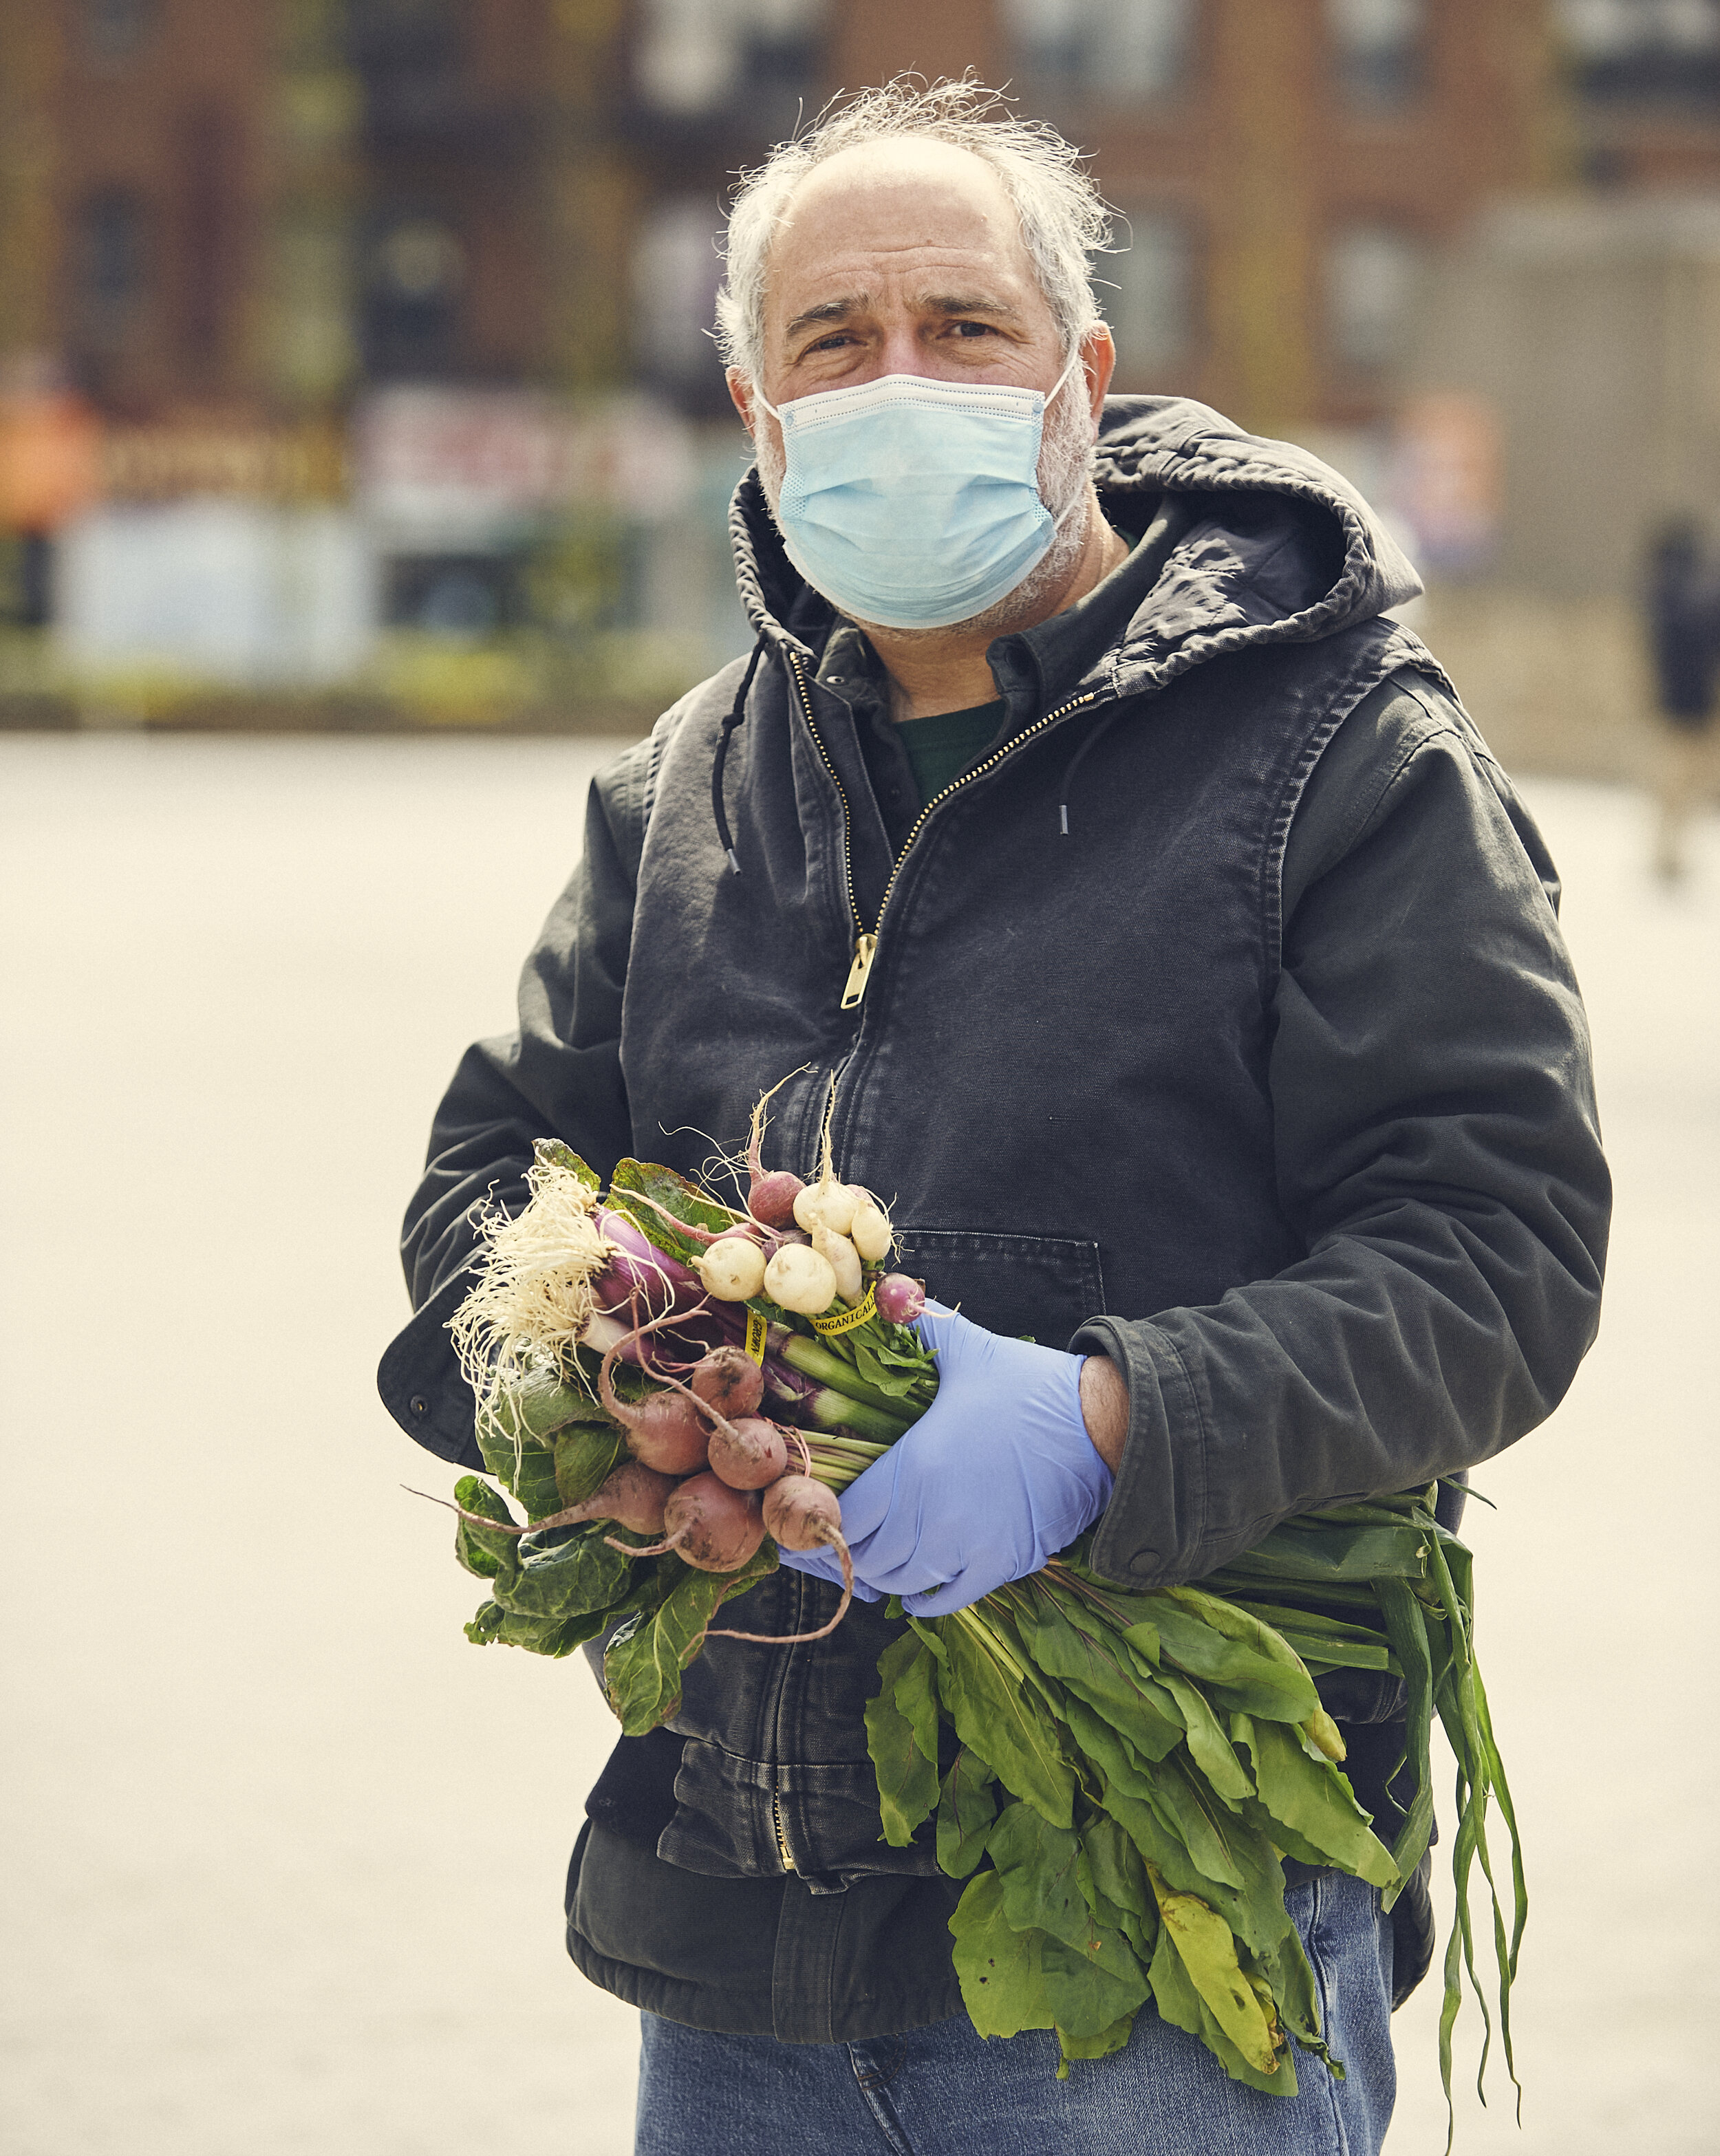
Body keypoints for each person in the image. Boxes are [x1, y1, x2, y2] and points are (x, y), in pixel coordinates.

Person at [379, 80, 1609, 2156]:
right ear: (757, 420)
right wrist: (611, 1386)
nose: (898, 385)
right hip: (742, 1920)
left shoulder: (1335, 751)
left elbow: (1494, 1251)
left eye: (962, 329)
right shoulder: (691, 782)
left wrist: (1104, 1424)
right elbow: (485, 1175)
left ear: (1081, 378)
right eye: (830, 346)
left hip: (1156, 1941)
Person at [1644, 515, 1720, 884]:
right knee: (1677, 785)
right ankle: (1668, 857)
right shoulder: (1679, 595)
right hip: (1686, 705)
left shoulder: (1664, 592)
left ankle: (1670, 855)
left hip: (1681, 702)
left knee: (1679, 787)